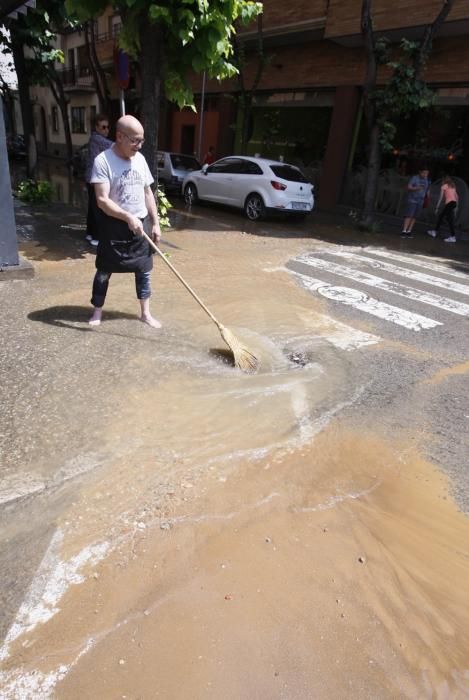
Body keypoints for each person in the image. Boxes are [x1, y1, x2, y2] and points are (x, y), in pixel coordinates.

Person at [88, 114, 162, 328]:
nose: (139, 146)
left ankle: (145, 313)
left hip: (140, 225)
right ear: (119, 136)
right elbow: (102, 200)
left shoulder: (140, 159)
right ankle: (97, 311)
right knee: (104, 270)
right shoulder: (103, 161)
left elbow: (148, 192)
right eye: (134, 140)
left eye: (141, 141)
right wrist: (127, 217)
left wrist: (155, 223)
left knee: (144, 271)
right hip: (114, 225)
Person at [85, 114, 113, 246]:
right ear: (96, 127)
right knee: (98, 208)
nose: (106, 130)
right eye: (103, 127)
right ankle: (96, 237)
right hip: (95, 178)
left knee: (92, 208)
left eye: (108, 127)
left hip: (90, 177)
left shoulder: (94, 138)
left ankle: (90, 233)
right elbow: (114, 146)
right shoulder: (97, 138)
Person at [427, 176, 459, 243]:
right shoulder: (453, 186)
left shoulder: (444, 186)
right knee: (441, 217)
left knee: (449, 220)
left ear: (444, 181)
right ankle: (435, 231)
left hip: (449, 204)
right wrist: (456, 207)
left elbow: (441, 198)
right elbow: (457, 197)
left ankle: (453, 237)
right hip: (453, 203)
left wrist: (437, 207)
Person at [401, 166, 430, 238]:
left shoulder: (426, 180)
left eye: (427, 173)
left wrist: (427, 197)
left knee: (415, 216)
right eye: (424, 173)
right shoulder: (415, 178)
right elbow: (409, 187)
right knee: (409, 215)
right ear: (420, 172)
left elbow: (427, 190)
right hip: (412, 199)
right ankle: (404, 231)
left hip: (421, 200)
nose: (426, 175)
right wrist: (416, 188)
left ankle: (409, 231)